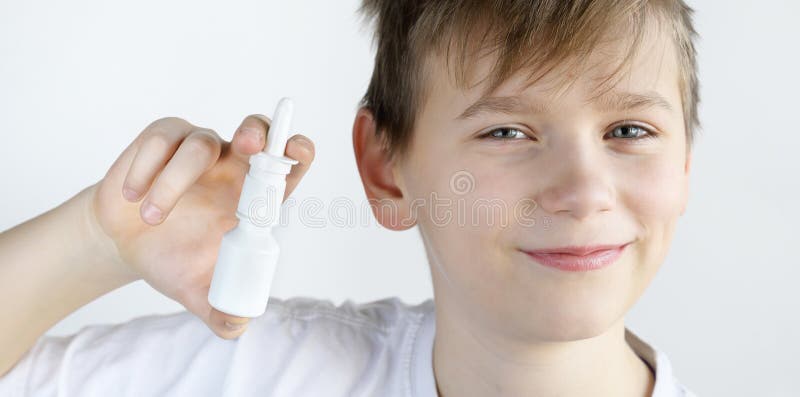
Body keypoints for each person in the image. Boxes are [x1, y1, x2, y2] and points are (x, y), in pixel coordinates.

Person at [0, 0, 701, 396]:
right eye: (508, 131)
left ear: (686, 160)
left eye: (630, 129)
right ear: (387, 170)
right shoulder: (266, 371)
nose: (583, 191)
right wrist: (94, 242)